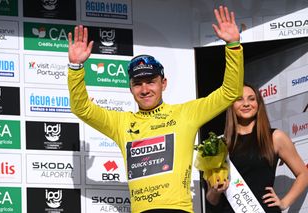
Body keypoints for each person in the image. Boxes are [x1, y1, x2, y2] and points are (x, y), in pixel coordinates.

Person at [67, 5, 244, 213]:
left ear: (164, 83)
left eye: (151, 82)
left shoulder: (185, 114)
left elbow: (230, 92)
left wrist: (233, 46)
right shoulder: (120, 123)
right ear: (130, 88)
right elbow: (82, 109)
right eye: (138, 83)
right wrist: (76, 68)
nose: (144, 89)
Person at [206, 83, 308, 213]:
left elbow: (303, 173)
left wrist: (284, 202)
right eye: (239, 99)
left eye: (251, 99)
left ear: (258, 104)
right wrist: (215, 191)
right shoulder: (219, 144)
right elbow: (211, 199)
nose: (246, 103)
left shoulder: (274, 138)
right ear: (231, 105)